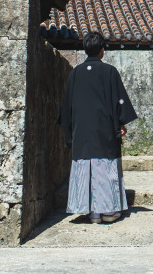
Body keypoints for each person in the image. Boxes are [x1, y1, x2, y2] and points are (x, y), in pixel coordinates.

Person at [61, 31, 137, 223]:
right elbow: (118, 101)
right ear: (102, 50)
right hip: (104, 130)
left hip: (81, 131)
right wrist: (120, 123)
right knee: (105, 168)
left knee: (85, 167)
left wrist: (69, 132)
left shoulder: (75, 73)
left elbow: (67, 105)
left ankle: (91, 212)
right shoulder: (109, 72)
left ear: (86, 49)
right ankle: (108, 211)